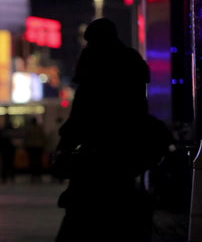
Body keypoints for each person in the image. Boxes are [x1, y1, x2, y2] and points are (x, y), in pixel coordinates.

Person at [54, 18, 154, 242]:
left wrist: (65, 144)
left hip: (95, 152)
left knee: (81, 216)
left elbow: (81, 112)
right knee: (121, 212)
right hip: (125, 150)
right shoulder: (130, 60)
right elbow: (139, 107)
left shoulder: (92, 62)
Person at [23, 117, 46, 183]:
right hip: (39, 147)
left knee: (32, 161)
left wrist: (25, 146)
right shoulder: (39, 129)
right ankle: (38, 175)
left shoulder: (29, 129)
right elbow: (43, 138)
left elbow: (26, 139)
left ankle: (32, 175)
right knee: (38, 161)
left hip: (31, 147)